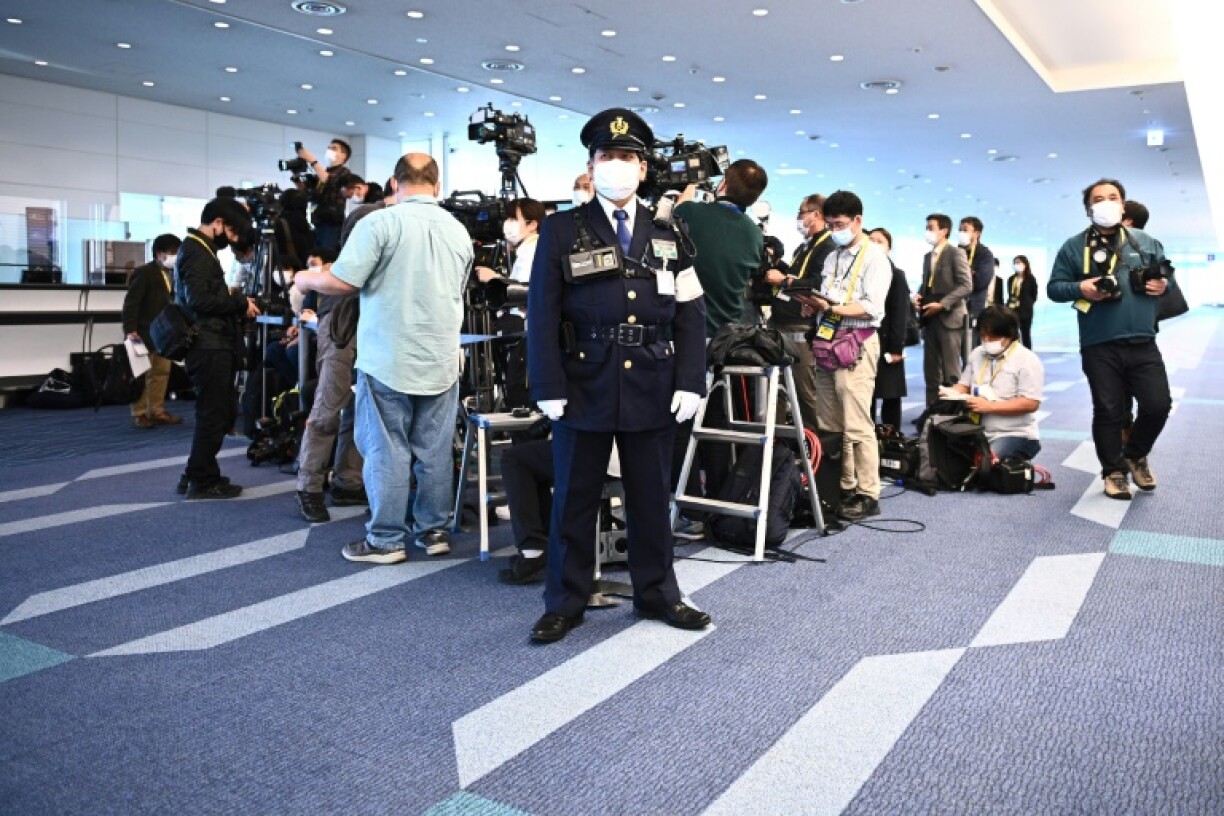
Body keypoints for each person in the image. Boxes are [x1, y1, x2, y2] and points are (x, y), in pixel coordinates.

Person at [526, 107, 709, 644]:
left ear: (644, 169)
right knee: (575, 498)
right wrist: (547, 385)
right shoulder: (563, 229)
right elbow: (542, 312)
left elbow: (692, 312)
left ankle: (658, 593)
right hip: (583, 382)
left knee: (651, 497)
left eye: (627, 157)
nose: (618, 165)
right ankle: (565, 600)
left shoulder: (669, 232)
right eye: (608, 156)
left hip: (654, 380)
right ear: (591, 164)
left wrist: (691, 380)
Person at [295, 153, 473, 560]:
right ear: (437, 185)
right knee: (434, 450)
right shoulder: (458, 231)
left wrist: (304, 278)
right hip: (441, 357)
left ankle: (385, 539)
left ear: (394, 184)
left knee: (387, 449)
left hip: (388, 356)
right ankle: (434, 533)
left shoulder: (380, 222)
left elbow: (343, 281)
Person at [1048, 178, 1173, 500]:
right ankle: (1113, 472)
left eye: (1112, 197)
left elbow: (1166, 278)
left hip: (1143, 340)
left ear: (1123, 204)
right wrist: (1081, 288)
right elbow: (1054, 288)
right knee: (1109, 411)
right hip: (1099, 343)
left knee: (1158, 405)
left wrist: (1163, 286)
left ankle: (1135, 453)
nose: (1106, 203)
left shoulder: (1145, 241)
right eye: (1098, 198)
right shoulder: (1074, 247)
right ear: (1089, 208)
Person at [670, 159, 768, 535]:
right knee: (714, 421)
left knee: (679, 424)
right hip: (727, 340)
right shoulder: (753, 232)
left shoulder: (692, 211)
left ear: (723, 183)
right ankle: (720, 502)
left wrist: (690, 190)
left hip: (689, 335)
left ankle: (690, 507)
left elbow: (675, 218)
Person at [792, 191, 892, 521]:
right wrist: (814, 303)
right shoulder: (833, 255)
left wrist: (831, 307)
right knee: (830, 423)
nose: (835, 230)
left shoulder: (875, 257)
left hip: (858, 341)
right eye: (831, 224)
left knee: (857, 422)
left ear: (858, 221)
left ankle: (868, 492)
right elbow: (830, 296)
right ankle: (842, 486)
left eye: (840, 224)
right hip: (827, 340)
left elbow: (871, 308)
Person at [176, 197, 261, 499]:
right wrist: (239, 302)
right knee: (213, 414)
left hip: (209, 343)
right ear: (218, 224)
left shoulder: (198, 248)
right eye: (234, 232)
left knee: (214, 412)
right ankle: (202, 479)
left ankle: (195, 473)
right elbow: (200, 300)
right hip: (209, 345)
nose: (234, 240)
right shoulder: (197, 252)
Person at [294, 247, 367, 524]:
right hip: (341, 329)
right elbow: (310, 284)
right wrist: (307, 277)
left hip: (368, 328)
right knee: (327, 409)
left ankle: (347, 482)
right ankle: (308, 486)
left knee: (359, 410)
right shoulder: (342, 263)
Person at [763, 194, 833, 431]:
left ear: (816, 215)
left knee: (806, 395)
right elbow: (796, 276)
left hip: (801, 331)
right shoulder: (805, 247)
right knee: (778, 391)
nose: (798, 218)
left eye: (801, 213)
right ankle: (780, 447)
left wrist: (784, 280)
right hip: (782, 326)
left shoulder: (828, 247)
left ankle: (815, 454)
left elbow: (817, 284)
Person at [944, 306, 1044, 460]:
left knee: (983, 462)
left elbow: (1030, 403)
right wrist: (951, 392)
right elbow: (964, 385)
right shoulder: (977, 353)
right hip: (976, 430)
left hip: (1014, 433)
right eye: (983, 336)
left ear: (1009, 335)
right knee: (946, 457)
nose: (987, 341)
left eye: (993, 337)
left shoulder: (1027, 360)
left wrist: (990, 407)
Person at [123, 233, 183, 429]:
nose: (176, 256)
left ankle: (156, 410)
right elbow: (131, 304)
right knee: (141, 373)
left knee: (161, 372)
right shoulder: (144, 272)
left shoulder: (176, 273)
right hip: (141, 331)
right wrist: (130, 330)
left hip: (165, 333)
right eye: (172, 253)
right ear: (159, 254)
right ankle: (139, 413)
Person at [915, 213, 973, 409]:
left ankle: (953, 417)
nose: (927, 232)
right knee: (931, 373)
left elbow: (966, 285)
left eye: (931, 227)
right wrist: (918, 297)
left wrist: (942, 304)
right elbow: (927, 286)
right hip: (929, 319)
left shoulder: (955, 253)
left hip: (950, 319)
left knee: (951, 372)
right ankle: (931, 415)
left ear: (944, 231)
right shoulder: (926, 257)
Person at [866, 228, 909, 430]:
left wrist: (896, 348)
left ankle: (893, 440)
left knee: (890, 394)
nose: (874, 244)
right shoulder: (865, 272)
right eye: (870, 240)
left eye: (879, 241)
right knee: (868, 394)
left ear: (888, 248)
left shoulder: (897, 275)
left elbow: (900, 314)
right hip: (866, 340)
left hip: (889, 344)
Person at [295, 138, 354, 251]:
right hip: (318, 221)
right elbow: (309, 194)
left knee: (327, 255)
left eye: (334, 148)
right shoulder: (322, 173)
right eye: (328, 148)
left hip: (332, 223)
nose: (329, 150)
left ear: (343, 155)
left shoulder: (344, 172)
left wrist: (313, 161)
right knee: (316, 256)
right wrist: (296, 175)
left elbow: (330, 181)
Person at [958, 216, 996, 350]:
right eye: (960, 229)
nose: (961, 233)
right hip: (953, 309)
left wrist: (962, 275)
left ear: (977, 234)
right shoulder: (955, 252)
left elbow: (981, 281)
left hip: (974, 309)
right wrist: (970, 272)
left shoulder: (985, 254)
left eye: (965, 230)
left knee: (971, 351)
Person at [1007, 255, 1040, 348]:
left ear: (1025, 264)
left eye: (1019, 263)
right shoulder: (1011, 279)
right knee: (1012, 333)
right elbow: (1010, 294)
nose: (1017, 265)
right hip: (1012, 310)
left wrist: (1027, 304)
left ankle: (1028, 353)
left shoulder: (1030, 279)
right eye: (1015, 263)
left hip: (1026, 311)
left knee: (1025, 334)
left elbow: (1034, 295)